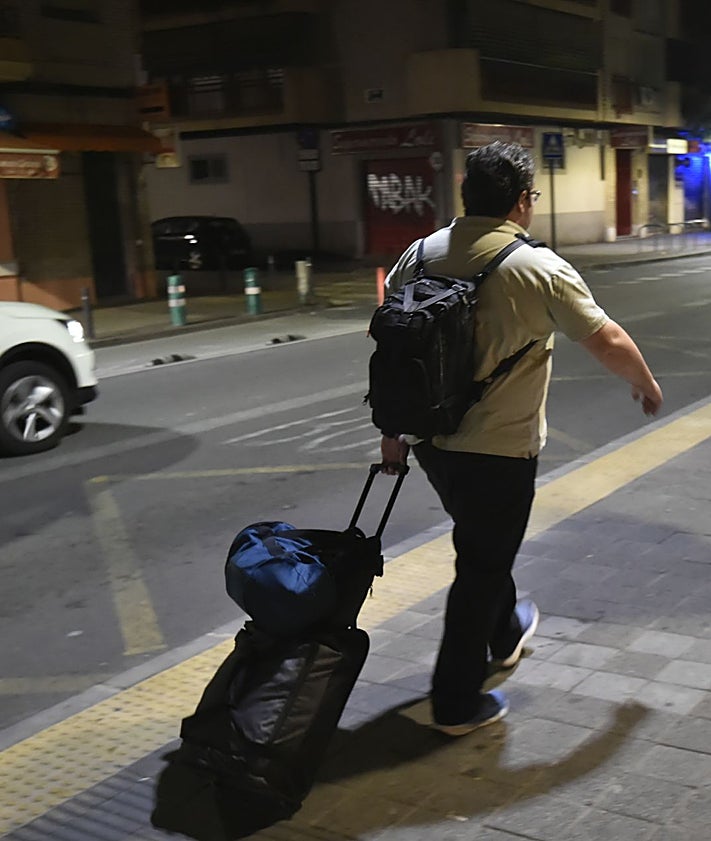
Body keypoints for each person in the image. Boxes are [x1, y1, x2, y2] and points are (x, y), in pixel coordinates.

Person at [380, 140, 663, 737]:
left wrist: (394, 433)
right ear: (521, 202)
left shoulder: (417, 255)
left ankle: (506, 631)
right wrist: (644, 383)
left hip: (434, 443)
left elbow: (394, 352)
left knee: (482, 542)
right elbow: (606, 338)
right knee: (481, 563)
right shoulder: (537, 267)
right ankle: (455, 703)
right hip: (501, 450)